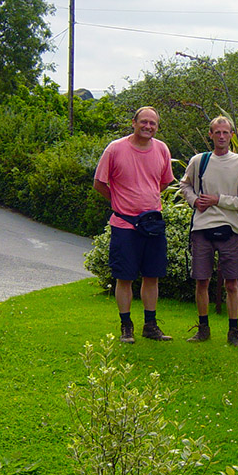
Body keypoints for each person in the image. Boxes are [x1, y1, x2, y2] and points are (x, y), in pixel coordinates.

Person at [93, 106, 175, 343]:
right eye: (144, 122)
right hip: (124, 225)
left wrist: (146, 202)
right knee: (124, 277)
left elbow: (164, 182)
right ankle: (126, 326)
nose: (148, 126)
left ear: (157, 127)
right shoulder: (115, 149)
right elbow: (99, 183)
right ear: (134, 123)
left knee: (152, 276)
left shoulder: (162, 149)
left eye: (153, 123)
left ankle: (150, 325)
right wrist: (119, 201)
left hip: (152, 225)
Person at [180, 116, 238, 346]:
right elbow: (185, 184)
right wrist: (194, 201)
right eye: (217, 132)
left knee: (232, 283)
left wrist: (218, 200)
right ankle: (203, 328)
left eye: (226, 132)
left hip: (230, 230)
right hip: (202, 228)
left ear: (232, 135)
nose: (221, 136)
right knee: (201, 281)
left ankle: (233, 332)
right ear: (210, 135)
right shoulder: (198, 161)